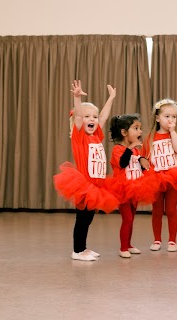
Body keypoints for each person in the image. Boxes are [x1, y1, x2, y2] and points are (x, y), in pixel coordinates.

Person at [54, 80, 119, 261]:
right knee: (82, 219)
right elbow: (78, 118)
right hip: (84, 185)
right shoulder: (79, 136)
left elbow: (104, 117)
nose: (92, 120)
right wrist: (76, 98)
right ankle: (77, 251)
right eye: (87, 117)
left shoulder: (96, 135)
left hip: (97, 184)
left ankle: (83, 248)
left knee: (88, 218)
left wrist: (111, 98)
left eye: (94, 117)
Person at [142, 99, 177, 253]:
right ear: (158, 118)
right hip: (156, 178)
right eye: (167, 116)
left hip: (173, 175)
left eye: (174, 117)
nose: (171, 120)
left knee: (171, 210)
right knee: (157, 210)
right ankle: (157, 239)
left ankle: (172, 241)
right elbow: (145, 158)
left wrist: (173, 132)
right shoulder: (150, 137)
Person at [109, 113, 156, 258]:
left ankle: (129, 244)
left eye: (140, 128)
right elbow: (123, 163)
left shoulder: (136, 150)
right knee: (127, 219)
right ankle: (123, 247)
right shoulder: (118, 149)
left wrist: (143, 162)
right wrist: (130, 148)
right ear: (124, 132)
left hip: (135, 188)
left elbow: (136, 166)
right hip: (123, 189)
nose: (140, 132)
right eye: (136, 128)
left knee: (132, 219)